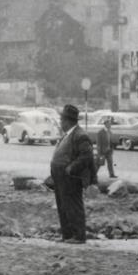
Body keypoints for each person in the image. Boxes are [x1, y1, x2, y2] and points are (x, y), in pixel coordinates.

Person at [49, 103, 95, 243]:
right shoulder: (67, 135)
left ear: (68, 121)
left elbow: (86, 156)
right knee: (63, 206)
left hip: (71, 178)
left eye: (62, 120)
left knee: (73, 206)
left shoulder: (80, 135)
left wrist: (71, 167)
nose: (60, 122)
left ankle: (79, 236)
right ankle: (67, 235)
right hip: (61, 178)